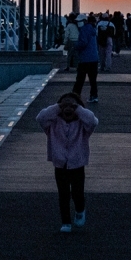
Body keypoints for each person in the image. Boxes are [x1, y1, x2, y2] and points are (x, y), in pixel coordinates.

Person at [36, 92, 99, 233]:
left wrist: (79, 109)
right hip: (60, 163)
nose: (68, 108)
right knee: (63, 193)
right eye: (65, 106)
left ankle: (80, 209)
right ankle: (65, 222)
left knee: (78, 192)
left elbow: (93, 121)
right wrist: (57, 107)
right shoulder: (53, 123)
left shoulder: (83, 125)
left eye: (72, 106)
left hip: (77, 163)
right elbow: (40, 118)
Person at [73, 15, 100, 103]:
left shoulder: (84, 30)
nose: (77, 23)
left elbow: (83, 43)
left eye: (79, 21)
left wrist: (75, 46)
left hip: (85, 58)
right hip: (94, 58)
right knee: (93, 80)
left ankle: (75, 96)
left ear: (84, 21)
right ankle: (94, 96)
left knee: (80, 79)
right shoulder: (93, 29)